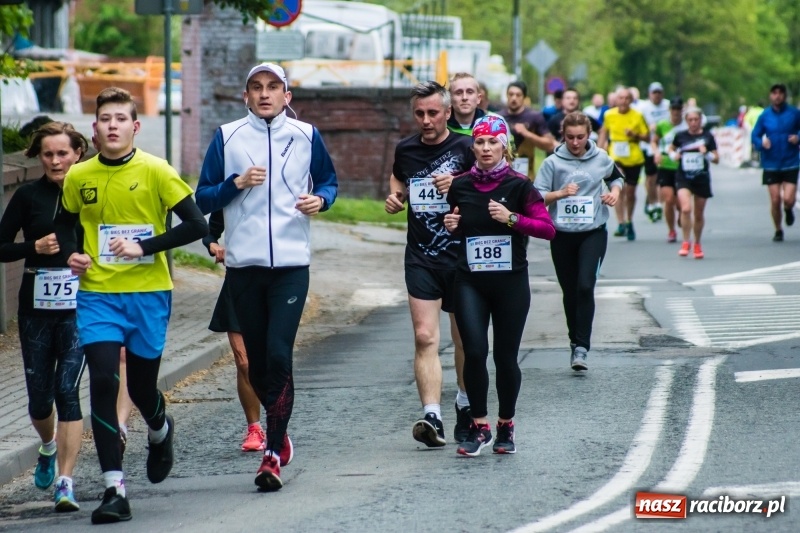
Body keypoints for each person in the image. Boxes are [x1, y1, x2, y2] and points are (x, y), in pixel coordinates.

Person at [54, 87, 209, 524]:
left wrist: (145, 248)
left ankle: (160, 431)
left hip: (148, 294)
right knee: (103, 381)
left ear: (135, 127)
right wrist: (71, 252)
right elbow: (64, 222)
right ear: (96, 128)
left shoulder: (157, 171)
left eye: (121, 119)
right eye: (106, 119)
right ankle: (114, 489)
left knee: (141, 390)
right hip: (98, 294)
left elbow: (196, 225)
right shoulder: (79, 176)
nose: (113, 126)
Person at [195, 63, 337, 492]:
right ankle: (280, 426)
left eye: (273, 87)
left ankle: (272, 453)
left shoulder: (307, 135)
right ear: (246, 96)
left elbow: (330, 182)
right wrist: (235, 184)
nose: (264, 94)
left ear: (287, 95)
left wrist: (321, 200)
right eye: (256, 87)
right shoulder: (228, 136)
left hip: (292, 265)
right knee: (256, 364)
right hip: (244, 266)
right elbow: (202, 196)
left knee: (278, 353)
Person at [443, 115, 555, 456]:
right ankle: (480, 427)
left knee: (506, 357)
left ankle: (506, 424)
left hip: (510, 284)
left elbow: (547, 228)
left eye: (493, 142)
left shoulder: (520, 186)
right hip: (470, 282)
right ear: (472, 146)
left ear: (504, 146)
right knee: (474, 352)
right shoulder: (460, 185)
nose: (486, 148)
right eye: (480, 142)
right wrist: (452, 224)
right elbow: (459, 225)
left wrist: (512, 218)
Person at [0, 122, 88, 512]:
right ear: (39, 157)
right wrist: (31, 246)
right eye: (48, 154)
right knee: (39, 400)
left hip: (80, 306)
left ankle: (65, 483)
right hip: (35, 308)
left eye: (62, 153)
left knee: (67, 390)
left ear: (78, 153)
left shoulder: (91, 190)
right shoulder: (28, 195)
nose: (55, 161)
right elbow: (1, 246)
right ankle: (48, 447)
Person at [384, 81, 474, 448]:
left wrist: (458, 185)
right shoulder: (406, 149)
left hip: (462, 257)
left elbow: (490, 187)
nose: (426, 120)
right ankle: (432, 415)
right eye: (419, 113)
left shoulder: (467, 147)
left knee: (465, 338)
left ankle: (466, 403)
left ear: (448, 113)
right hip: (421, 255)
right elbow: (398, 178)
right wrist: (395, 196)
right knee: (425, 337)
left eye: (433, 113)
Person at [534, 112, 623, 371]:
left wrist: (613, 193)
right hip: (560, 234)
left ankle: (582, 347)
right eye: (570, 137)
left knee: (585, 286)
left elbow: (616, 177)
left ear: (589, 135)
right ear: (563, 135)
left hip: (592, 232)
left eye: (580, 137)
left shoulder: (601, 157)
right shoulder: (552, 163)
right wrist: (560, 193)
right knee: (570, 290)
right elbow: (536, 197)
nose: (575, 143)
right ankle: (575, 342)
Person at [202, 210, 266, 452]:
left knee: (271, 360)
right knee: (244, 362)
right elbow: (209, 232)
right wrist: (214, 246)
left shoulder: (282, 187)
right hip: (238, 283)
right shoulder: (233, 188)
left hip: (277, 281)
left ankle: (279, 420)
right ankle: (255, 428)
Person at [597, 87, 649, 241]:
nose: (624, 101)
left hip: (634, 158)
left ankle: (629, 220)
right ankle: (620, 222)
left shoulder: (637, 115)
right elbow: (604, 133)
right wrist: (599, 153)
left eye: (627, 98)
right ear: (616, 100)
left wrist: (635, 135)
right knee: (618, 187)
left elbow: (647, 136)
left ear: (631, 100)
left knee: (631, 192)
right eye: (621, 98)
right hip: (616, 157)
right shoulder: (609, 115)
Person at [750, 83, 800, 242]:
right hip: (771, 162)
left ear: (784, 96)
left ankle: (789, 209)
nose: (777, 96)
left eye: (780, 93)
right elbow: (755, 135)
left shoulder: (794, 113)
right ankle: (778, 229)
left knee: (789, 199)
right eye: (774, 93)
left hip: (790, 160)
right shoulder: (765, 115)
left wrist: (798, 137)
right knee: (775, 199)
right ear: (770, 96)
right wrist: (761, 143)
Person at [667, 107, 718, 258]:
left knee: (699, 213)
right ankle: (685, 241)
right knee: (686, 209)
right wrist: (673, 155)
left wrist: (706, 154)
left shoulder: (708, 136)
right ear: (686, 121)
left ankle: (697, 243)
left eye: (696, 120)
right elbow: (671, 148)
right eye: (690, 120)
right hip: (684, 177)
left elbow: (717, 158)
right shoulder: (680, 136)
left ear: (701, 120)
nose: (693, 123)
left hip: (701, 178)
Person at [499, 81, 556, 178]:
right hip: (502, 175)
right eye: (511, 94)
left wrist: (527, 133)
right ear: (507, 96)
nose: (514, 98)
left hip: (526, 176)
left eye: (518, 95)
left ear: (524, 97)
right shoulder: (498, 117)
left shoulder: (534, 117)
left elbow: (549, 144)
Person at [652, 99, 686, 243]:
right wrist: (656, 153)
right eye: (673, 109)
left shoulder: (686, 126)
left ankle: (681, 214)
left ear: (682, 110)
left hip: (682, 167)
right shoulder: (662, 124)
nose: (676, 112)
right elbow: (654, 141)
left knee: (680, 202)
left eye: (678, 109)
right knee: (669, 199)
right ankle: (671, 230)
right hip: (665, 165)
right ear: (670, 110)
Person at [638, 82, 671, 223]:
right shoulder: (643, 108)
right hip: (649, 146)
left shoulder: (668, 105)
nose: (657, 95)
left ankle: (657, 202)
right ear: (649, 94)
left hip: (666, 146)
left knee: (661, 178)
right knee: (651, 178)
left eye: (659, 92)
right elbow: (638, 124)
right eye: (654, 92)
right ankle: (652, 203)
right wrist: (647, 128)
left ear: (662, 93)